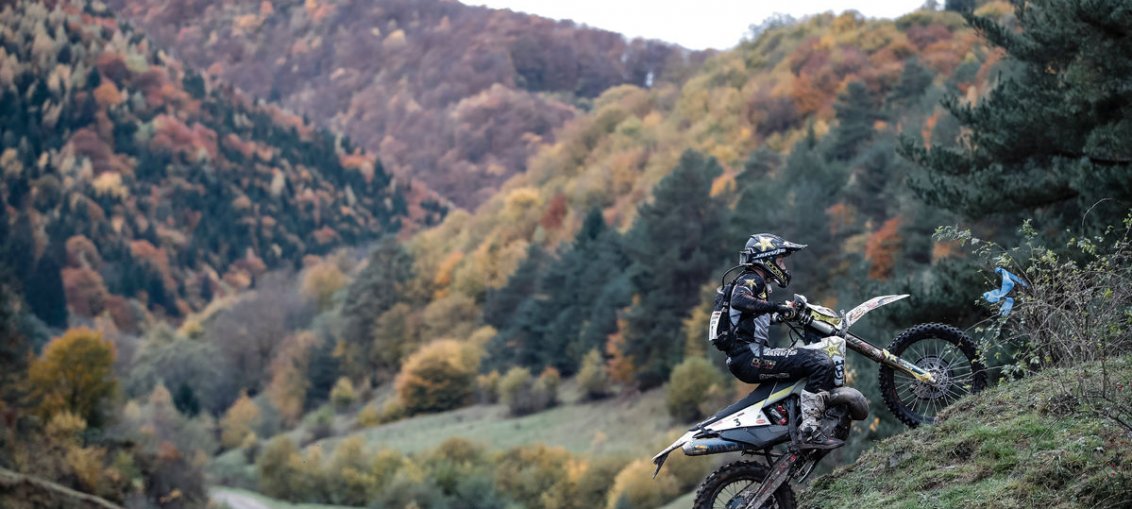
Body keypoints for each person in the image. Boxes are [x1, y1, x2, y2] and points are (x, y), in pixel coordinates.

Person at [723, 233, 842, 449]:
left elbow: (752, 318)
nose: (783, 266)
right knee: (820, 362)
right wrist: (776, 307)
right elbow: (739, 300)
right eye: (780, 260)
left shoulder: (754, 282)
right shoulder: (752, 279)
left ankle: (797, 422)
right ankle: (810, 431)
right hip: (750, 356)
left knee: (805, 363)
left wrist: (781, 314)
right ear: (767, 259)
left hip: (745, 356)